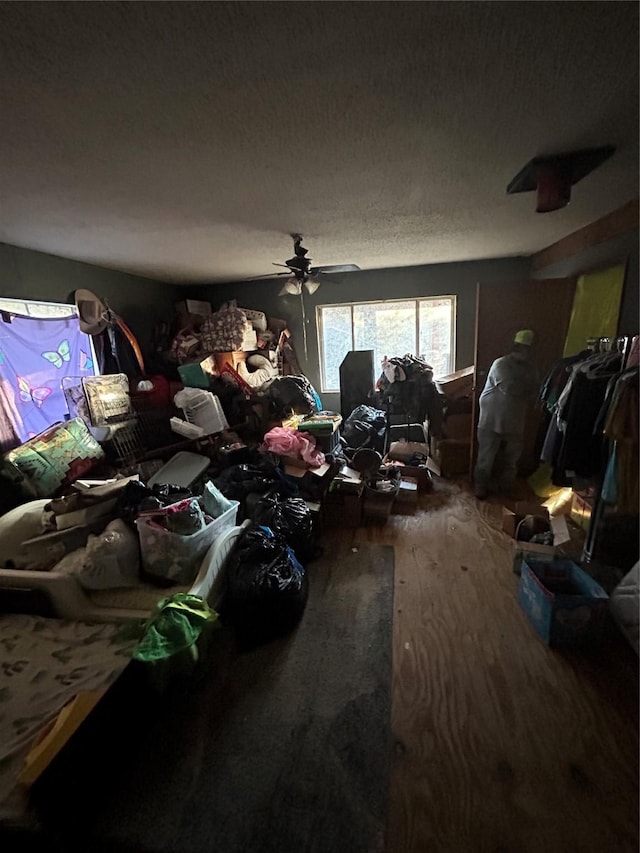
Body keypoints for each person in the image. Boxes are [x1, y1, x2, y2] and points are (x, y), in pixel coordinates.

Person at [473, 329, 539, 500]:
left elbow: (535, 389)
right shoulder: (500, 364)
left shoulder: (531, 368)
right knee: (486, 458)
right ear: (515, 347)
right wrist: (524, 388)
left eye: (529, 349)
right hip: (491, 421)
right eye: (523, 348)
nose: (525, 352)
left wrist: (524, 388)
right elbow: (510, 388)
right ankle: (481, 486)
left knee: (512, 460)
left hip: (515, 422)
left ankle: (506, 488)